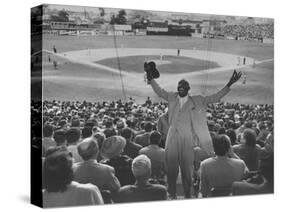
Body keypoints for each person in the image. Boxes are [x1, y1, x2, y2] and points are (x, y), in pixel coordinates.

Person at [146, 61, 242, 198]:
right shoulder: (171, 96)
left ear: (188, 89)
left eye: (183, 87)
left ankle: (188, 195)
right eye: (179, 86)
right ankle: (171, 194)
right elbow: (159, 90)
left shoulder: (197, 100)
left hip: (187, 137)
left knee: (187, 169)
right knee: (171, 167)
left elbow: (215, 97)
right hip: (172, 135)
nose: (181, 88)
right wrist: (150, 78)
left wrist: (229, 84)